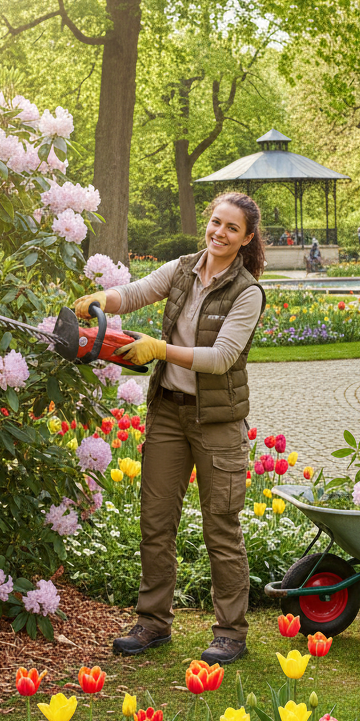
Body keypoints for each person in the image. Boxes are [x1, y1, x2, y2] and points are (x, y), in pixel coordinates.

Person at [73, 191, 266, 666]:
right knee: (156, 523)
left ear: (246, 239)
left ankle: (230, 633)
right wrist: (103, 298)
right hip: (168, 413)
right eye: (216, 222)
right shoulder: (182, 269)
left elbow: (221, 359)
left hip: (217, 422)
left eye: (231, 229)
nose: (219, 233)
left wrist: (158, 349)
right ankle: (153, 623)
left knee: (221, 526)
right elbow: (135, 292)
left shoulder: (247, 292)